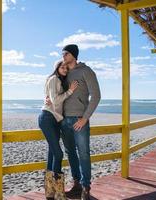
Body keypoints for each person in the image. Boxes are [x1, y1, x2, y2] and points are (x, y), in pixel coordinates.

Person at [57, 44, 101, 200]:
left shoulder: (86, 71)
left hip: (79, 120)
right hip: (64, 120)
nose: (63, 56)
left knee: (83, 153)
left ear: (74, 55)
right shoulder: (63, 72)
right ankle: (76, 185)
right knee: (70, 154)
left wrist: (85, 118)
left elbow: (96, 96)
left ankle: (86, 188)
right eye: (62, 53)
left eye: (66, 53)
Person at [38, 60, 78, 200]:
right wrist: (70, 91)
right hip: (48, 118)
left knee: (52, 154)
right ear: (56, 68)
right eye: (62, 67)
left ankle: (50, 193)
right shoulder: (54, 79)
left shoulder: (59, 81)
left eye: (66, 68)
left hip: (55, 120)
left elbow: (55, 100)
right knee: (59, 154)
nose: (65, 69)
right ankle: (59, 193)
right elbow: (55, 100)